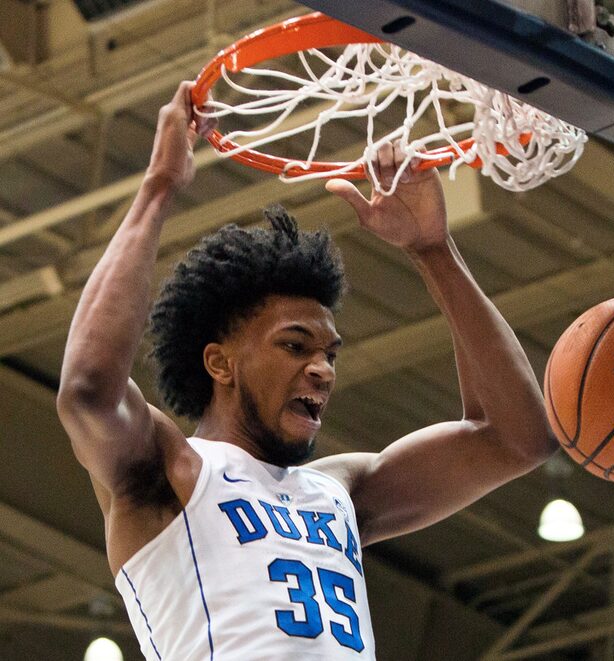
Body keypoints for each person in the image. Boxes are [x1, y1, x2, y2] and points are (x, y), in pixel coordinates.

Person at [57, 81, 554, 660]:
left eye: (330, 353)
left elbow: (517, 438)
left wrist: (434, 251)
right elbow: (88, 390)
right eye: (295, 347)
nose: (322, 369)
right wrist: (159, 187)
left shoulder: (340, 491)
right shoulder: (170, 472)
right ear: (220, 362)